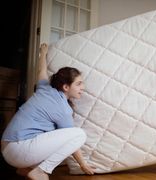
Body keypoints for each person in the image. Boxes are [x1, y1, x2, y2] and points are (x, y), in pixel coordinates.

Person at [1, 43, 95, 180]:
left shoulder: (45, 89)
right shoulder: (62, 108)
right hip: (19, 150)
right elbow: (72, 141)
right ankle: (40, 170)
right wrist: (83, 165)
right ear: (66, 87)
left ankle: (25, 168)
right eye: (79, 83)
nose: (83, 87)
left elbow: (42, 71)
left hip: (6, 148)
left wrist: (43, 53)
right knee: (79, 134)